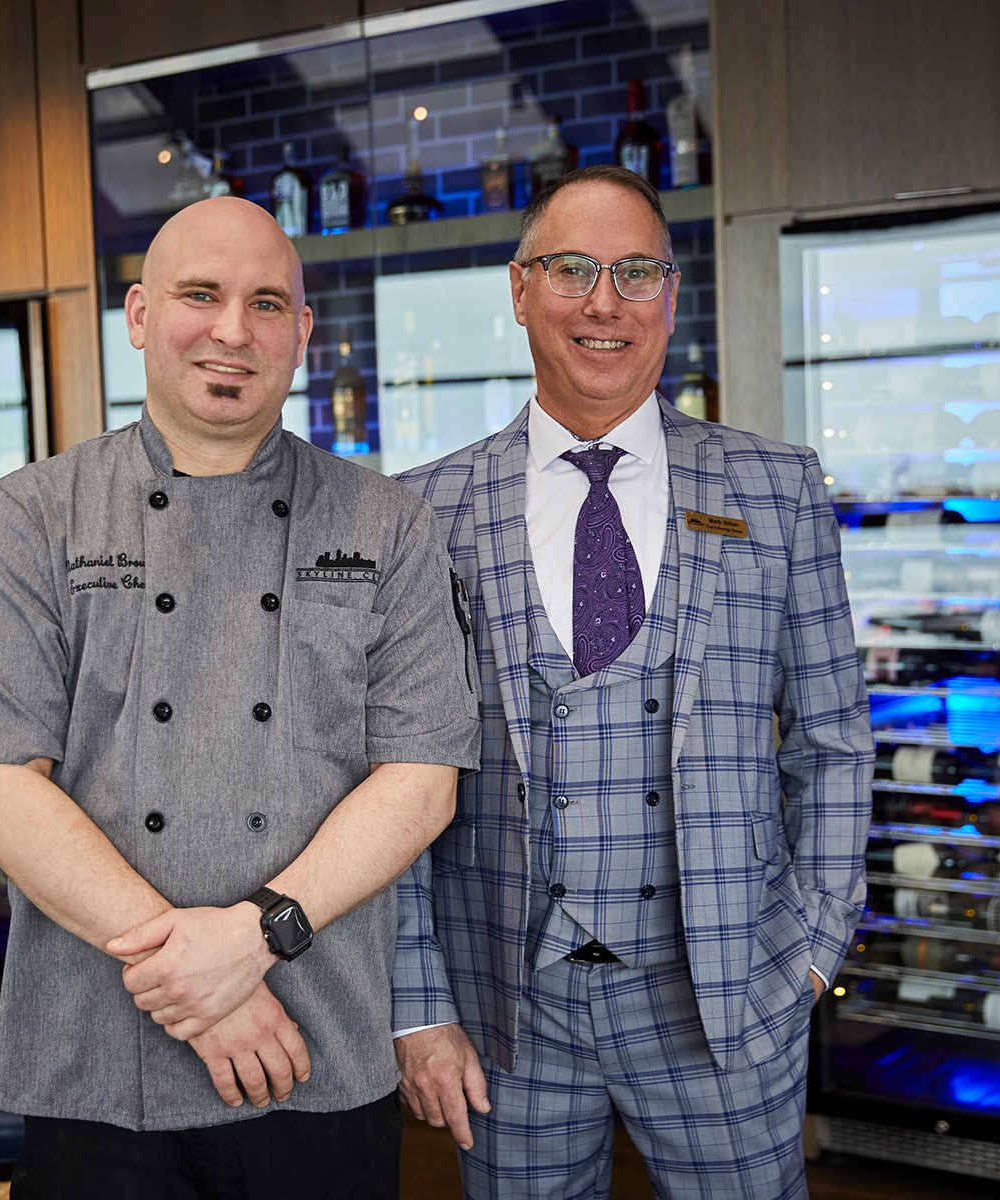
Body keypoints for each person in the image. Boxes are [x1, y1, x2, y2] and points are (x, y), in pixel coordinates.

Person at [0, 196, 479, 1197]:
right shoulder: (31, 516)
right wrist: (202, 983)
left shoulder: (388, 524)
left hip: (314, 1042)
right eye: (199, 295)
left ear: (302, 333)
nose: (232, 330)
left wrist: (253, 936)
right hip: (94, 1055)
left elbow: (422, 781)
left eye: (266, 304)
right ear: (140, 316)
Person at [390, 165, 874, 1199]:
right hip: (503, 1007)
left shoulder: (777, 488)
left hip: (729, 997)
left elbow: (833, 739)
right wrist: (418, 1003)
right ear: (521, 290)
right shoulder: (422, 511)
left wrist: (811, 948)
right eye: (572, 269)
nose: (604, 302)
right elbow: (391, 779)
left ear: (671, 293)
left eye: (636, 272)